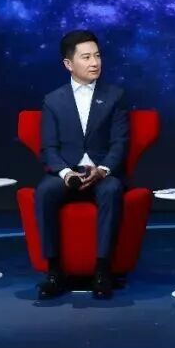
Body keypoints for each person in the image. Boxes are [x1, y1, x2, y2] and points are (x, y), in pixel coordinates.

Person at [34, 29, 128, 300]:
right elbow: (48, 149)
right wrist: (66, 173)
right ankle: (54, 271)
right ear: (68, 64)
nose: (94, 62)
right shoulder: (53, 100)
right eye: (86, 57)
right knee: (44, 191)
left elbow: (120, 143)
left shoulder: (115, 96)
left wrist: (103, 170)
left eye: (97, 56)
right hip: (66, 172)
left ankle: (102, 271)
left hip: (101, 172)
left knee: (112, 190)